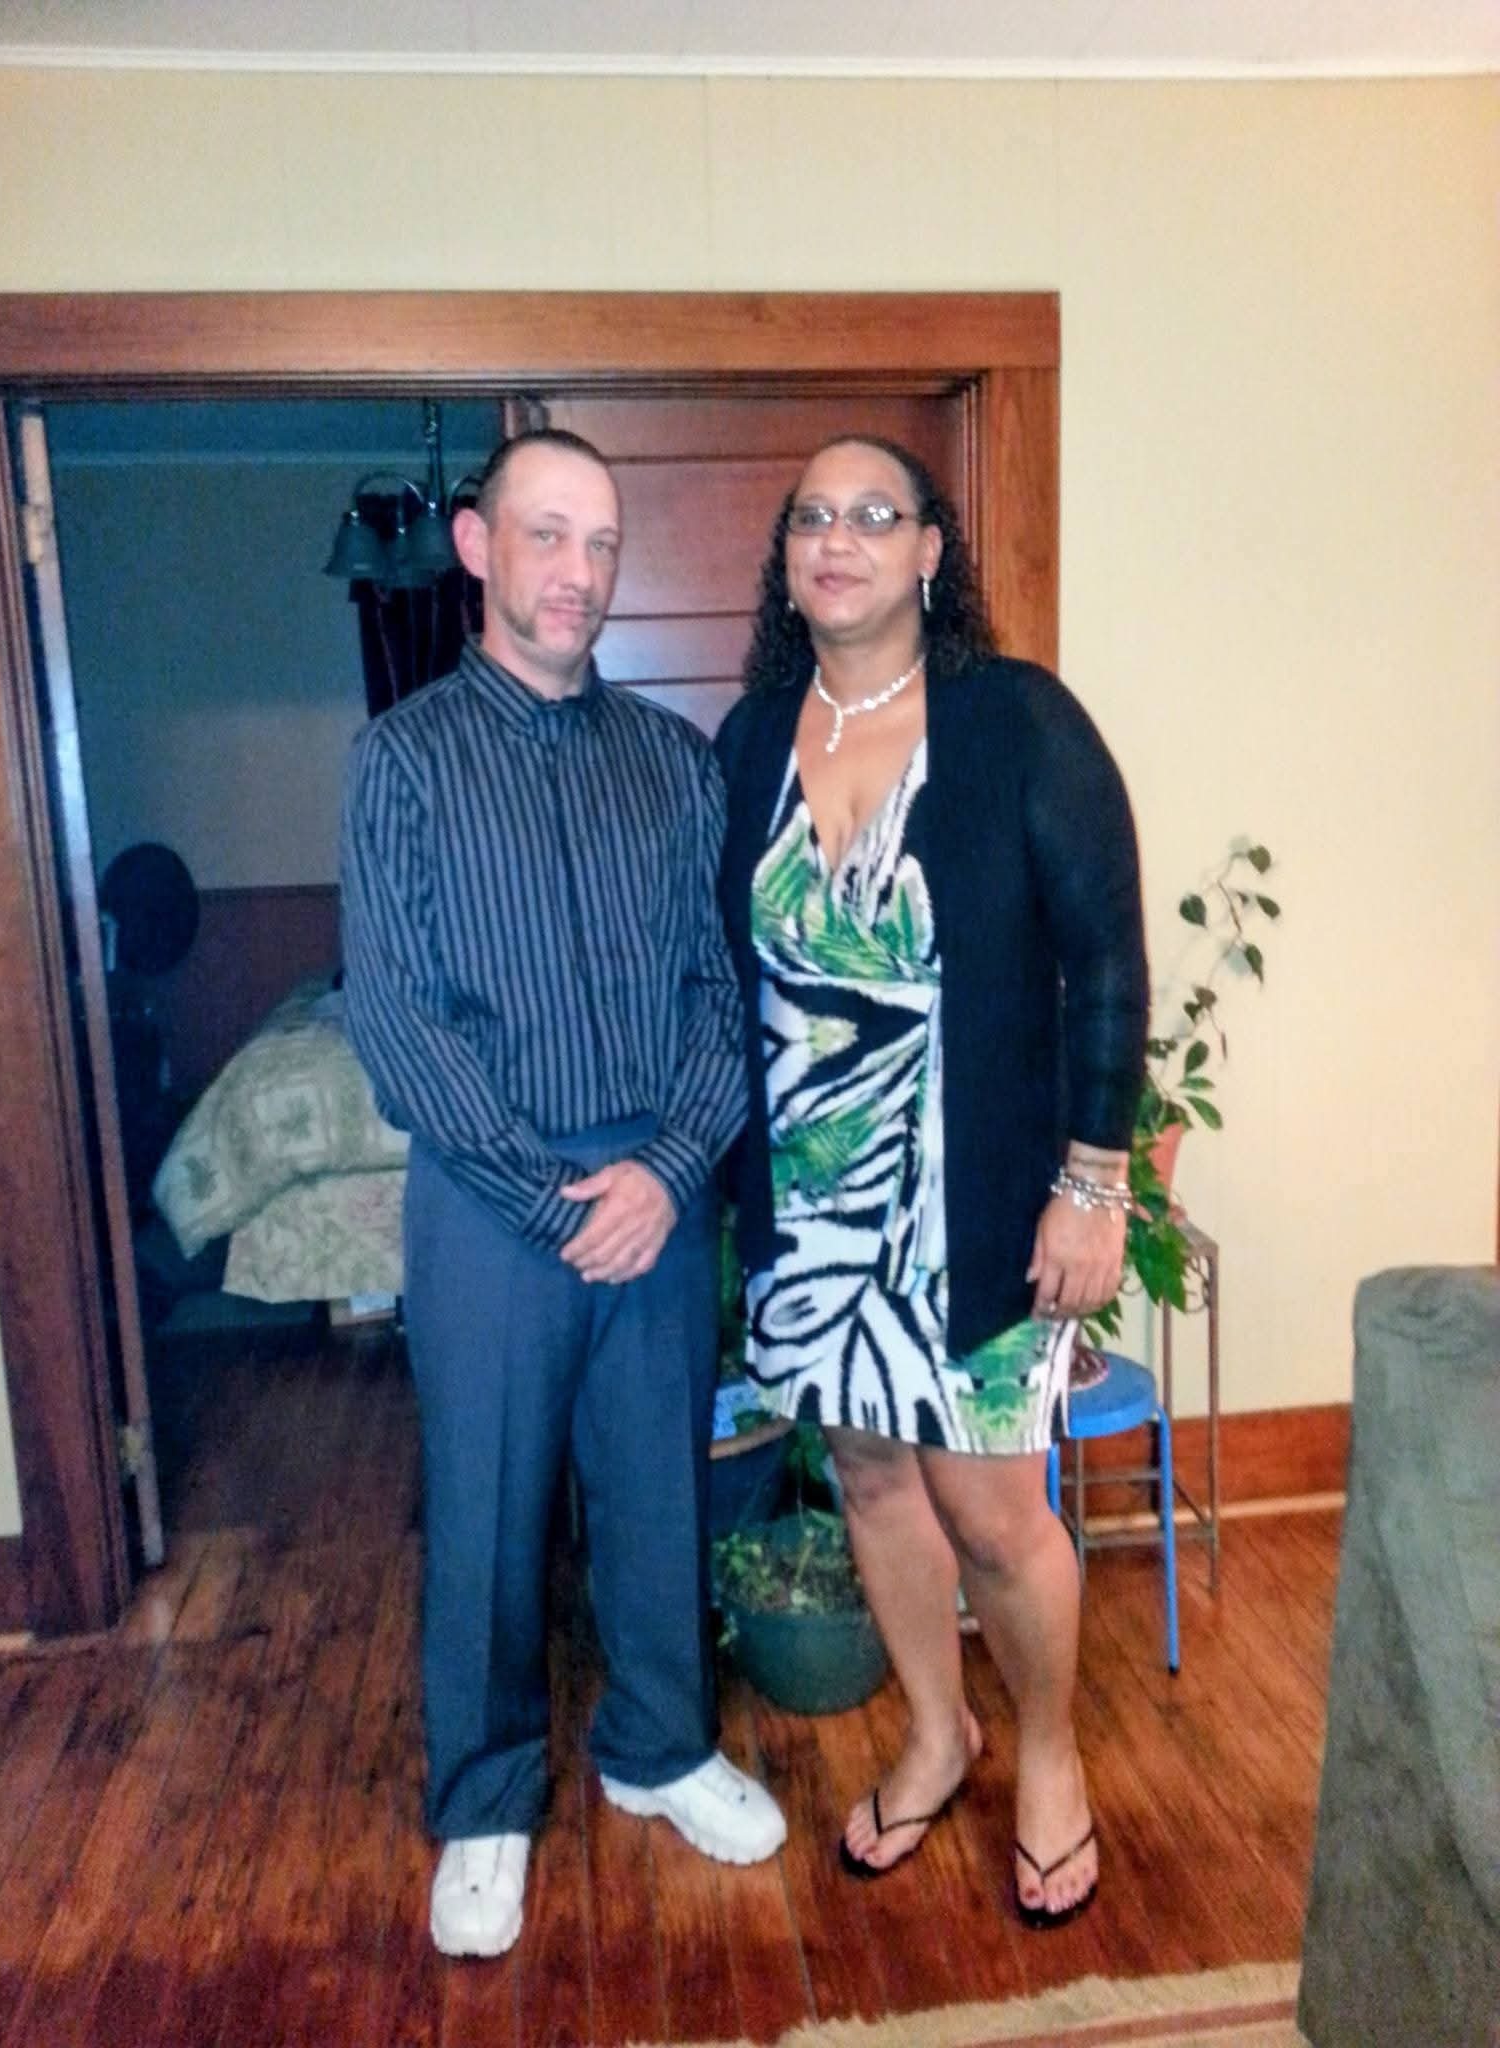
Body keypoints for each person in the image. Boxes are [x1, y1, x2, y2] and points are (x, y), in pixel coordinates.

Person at [341, 428, 786, 1962]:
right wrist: (554, 1202)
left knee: (659, 1489)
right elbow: (397, 1019)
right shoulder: (402, 763)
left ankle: (660, 1746)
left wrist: (667, 1171)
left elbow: (719, 993)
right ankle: (484, 1799)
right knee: (487, 1511)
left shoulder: (672, 763)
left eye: (600, 543)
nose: (577, 572)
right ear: (477, 547)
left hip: (659, 1188)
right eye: (546, 535)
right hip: (490, 1206)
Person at [715, 435, 1147, 1926]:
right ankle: (937, 1732)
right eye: (811, 517)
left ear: (927, 553)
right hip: (813, 1204)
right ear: (788, 560)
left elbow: (1105, 958)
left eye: (873, 513)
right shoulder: (749, 740)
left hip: (978, 1202)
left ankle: (1050, 1754)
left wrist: (1095, 1182)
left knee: (993, 1512)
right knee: (871, 1474)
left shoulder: (1016, 719)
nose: (837, 539)